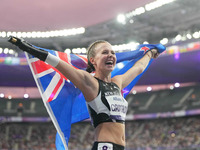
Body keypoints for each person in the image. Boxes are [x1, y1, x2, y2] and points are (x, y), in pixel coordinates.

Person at [8, 36, 159, 150]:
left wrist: (151, 52)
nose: (111, 55)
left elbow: (139, 68)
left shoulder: (117, 82)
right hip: (105, 147)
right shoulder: (89, 83)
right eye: (105, 52)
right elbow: (57, 63)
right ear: (93, 60)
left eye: (113, 52)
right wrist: (26, 47)